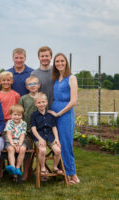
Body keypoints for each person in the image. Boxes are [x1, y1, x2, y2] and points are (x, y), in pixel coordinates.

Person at [48, 53, 80, 185]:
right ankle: (62, 172)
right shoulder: (57, 78)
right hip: (55, 111)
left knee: (66, 144)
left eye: (62, 61)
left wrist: (59, 113)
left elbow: (73, 101)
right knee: (58, 143)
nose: (59, 63)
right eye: (57, 61)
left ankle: (73, 175)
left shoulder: (71, 78)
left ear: (66, 62)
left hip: (65, 114)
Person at [30, 92, 63, 177]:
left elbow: (54, 127)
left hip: (50, 136)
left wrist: (56, 138)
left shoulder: (50, 114)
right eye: (39, 102)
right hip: (39, 136)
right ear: (35, 104)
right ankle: (43, 168)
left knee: (58, 150)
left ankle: (55, 167)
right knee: (43, 150)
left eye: (43, 102)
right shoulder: (34, 115)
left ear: (46, 102)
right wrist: (40, 139)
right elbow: (33, 129)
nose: (41, 104)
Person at [18, 75, 40, 180]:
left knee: (40, 149)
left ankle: (40, 171)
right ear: (26, 87)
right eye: (30, 84)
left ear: (39, 85)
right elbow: (19, 114)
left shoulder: (42, 97)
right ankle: (25, 172)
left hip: (39, 130)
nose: (32, 86)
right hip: (26, 130)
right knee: (27, 150)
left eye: (35, 83)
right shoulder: (23, 99)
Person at [4, 104, 27, 178]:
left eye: (19, 115)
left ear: (22, 115)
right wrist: (12, 144)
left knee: (23, 149)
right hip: (10, 141)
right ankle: (12, 167)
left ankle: (17, 167)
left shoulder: (23, 123)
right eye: (15, 115)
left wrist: (19, 145)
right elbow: (9, 134)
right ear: (11, 115)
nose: (17, 117)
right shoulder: (9, 123)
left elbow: (22, 135)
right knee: (11, 149)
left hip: (20, 141)